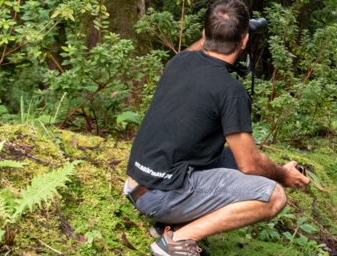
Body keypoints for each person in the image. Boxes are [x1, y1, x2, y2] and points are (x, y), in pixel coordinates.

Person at [122, 1, 310, 255]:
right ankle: (175, 241)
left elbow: (202, 47)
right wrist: (283, 175)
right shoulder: (230, 91)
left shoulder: (179, 62)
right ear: (244, 40)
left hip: (137, 185)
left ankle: (169, 224)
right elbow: (250, 165)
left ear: (204, 34)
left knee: (231, 158)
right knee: (273, 195)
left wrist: (221, 30)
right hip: (160, 196)